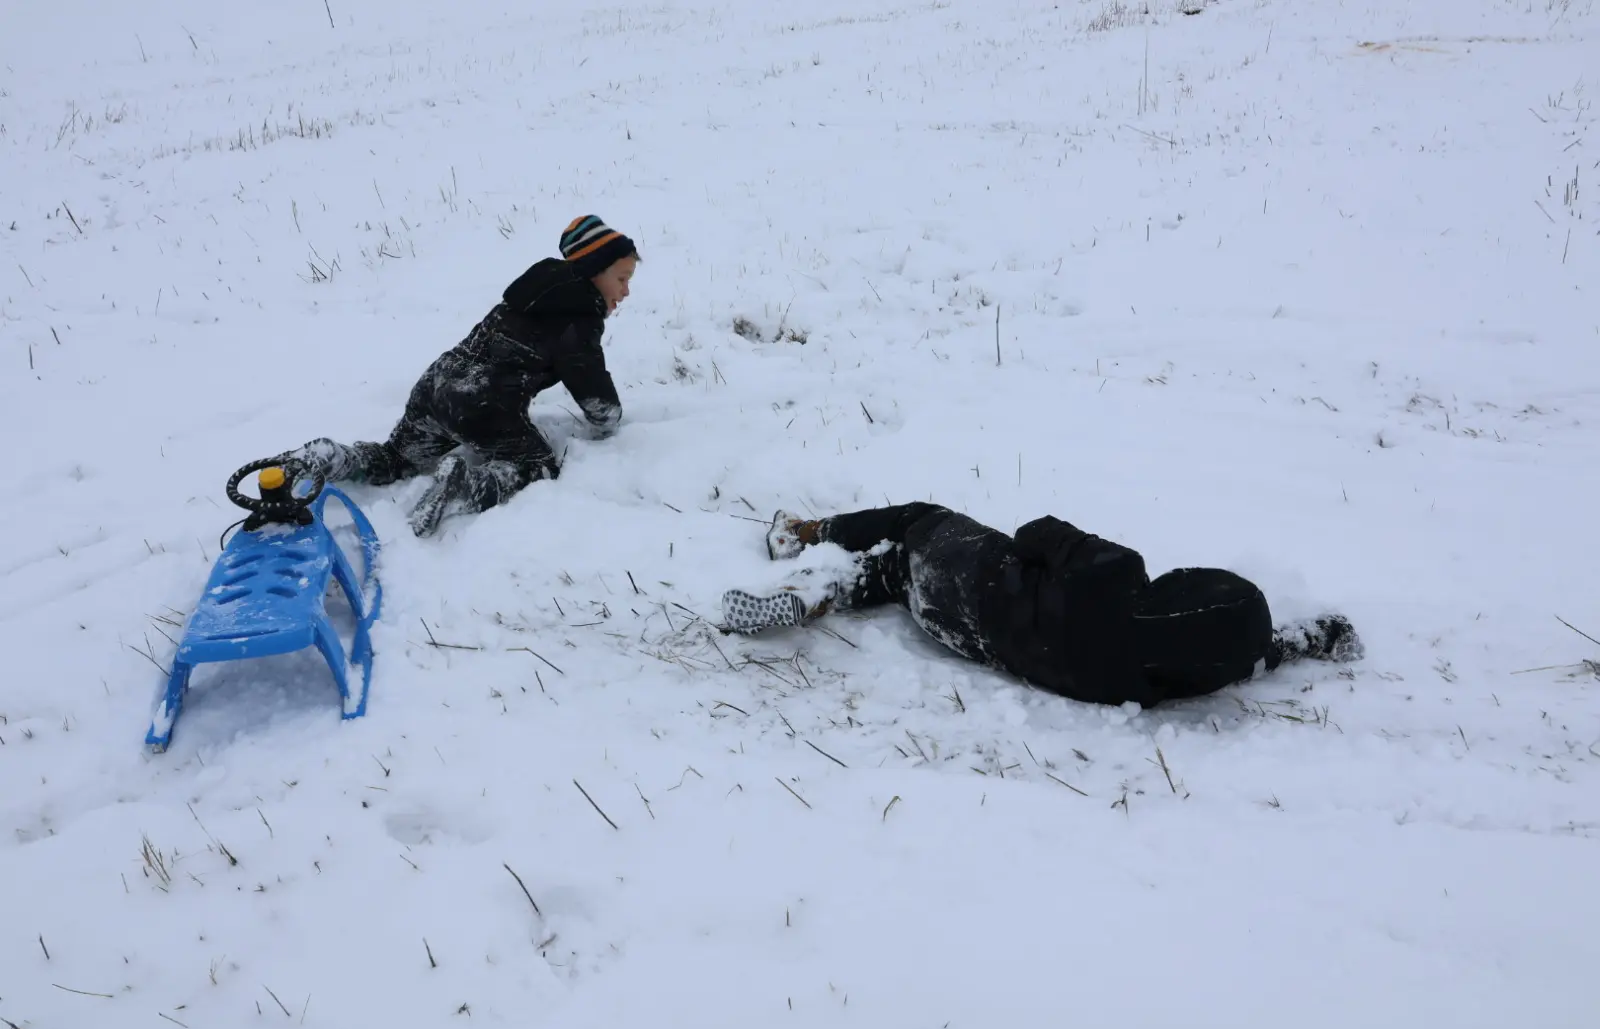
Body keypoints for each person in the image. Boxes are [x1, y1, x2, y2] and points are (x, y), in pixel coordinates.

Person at [721, 503, 1362, 709]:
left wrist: (1068, 548)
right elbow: (1253, 656)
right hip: (973, 636)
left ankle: (806, 538)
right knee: (892, 578)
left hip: (971, 571)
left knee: (918, 522)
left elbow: (1038, 532)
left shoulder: (1118, 576)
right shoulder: (1157, 680)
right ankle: (819, 591)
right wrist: (1315, 636)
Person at [270, 215, 639, 536]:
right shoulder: (578, 314)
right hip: (484, 404)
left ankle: (332, 458)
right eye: (621, 279)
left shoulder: (533, 294)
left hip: (437, 384)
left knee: (397, 457)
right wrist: (607, 419)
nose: (625, 291)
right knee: (535, 466)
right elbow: (588, 378)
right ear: (593, 271)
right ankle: (468, 485)